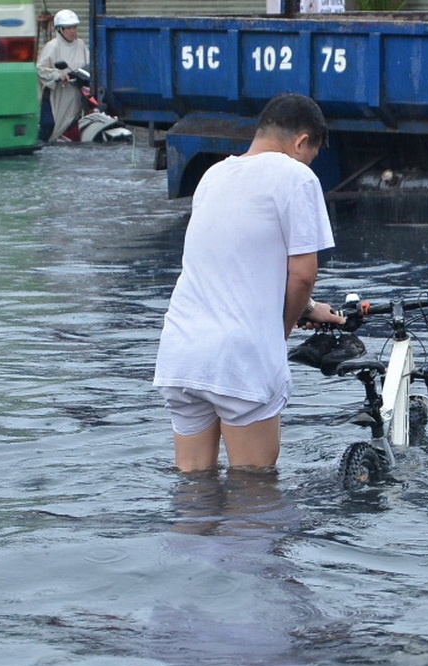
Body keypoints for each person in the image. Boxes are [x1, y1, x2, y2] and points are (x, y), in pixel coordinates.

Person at [153, 93, 348, 473]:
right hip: (240, 360)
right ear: (301, 142)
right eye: (312, 155)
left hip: (183, 353)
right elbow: (304, 274)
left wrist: (308, 309)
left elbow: (227, 271)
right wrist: (281, 330)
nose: (310, 163)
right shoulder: (296, 176)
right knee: (252, 490)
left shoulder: (214, 176)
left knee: (194, 486)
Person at [36, 9, 89, 142]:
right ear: (60, 29)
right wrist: (57, 75)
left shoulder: (81, 45)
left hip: (76, 94)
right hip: (57, 96)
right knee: (48, 126)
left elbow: (89, 64)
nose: (73, 31)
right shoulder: (52, 46)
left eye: (74, 27)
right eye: (68, 28)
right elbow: (40, 69)